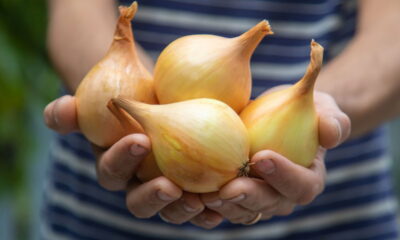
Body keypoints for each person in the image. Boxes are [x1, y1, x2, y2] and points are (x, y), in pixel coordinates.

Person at [42, 0, 400, 239]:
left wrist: (322, 113)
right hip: (101, 218)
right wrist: (123, 113)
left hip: (335, 219)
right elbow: (74, 10)